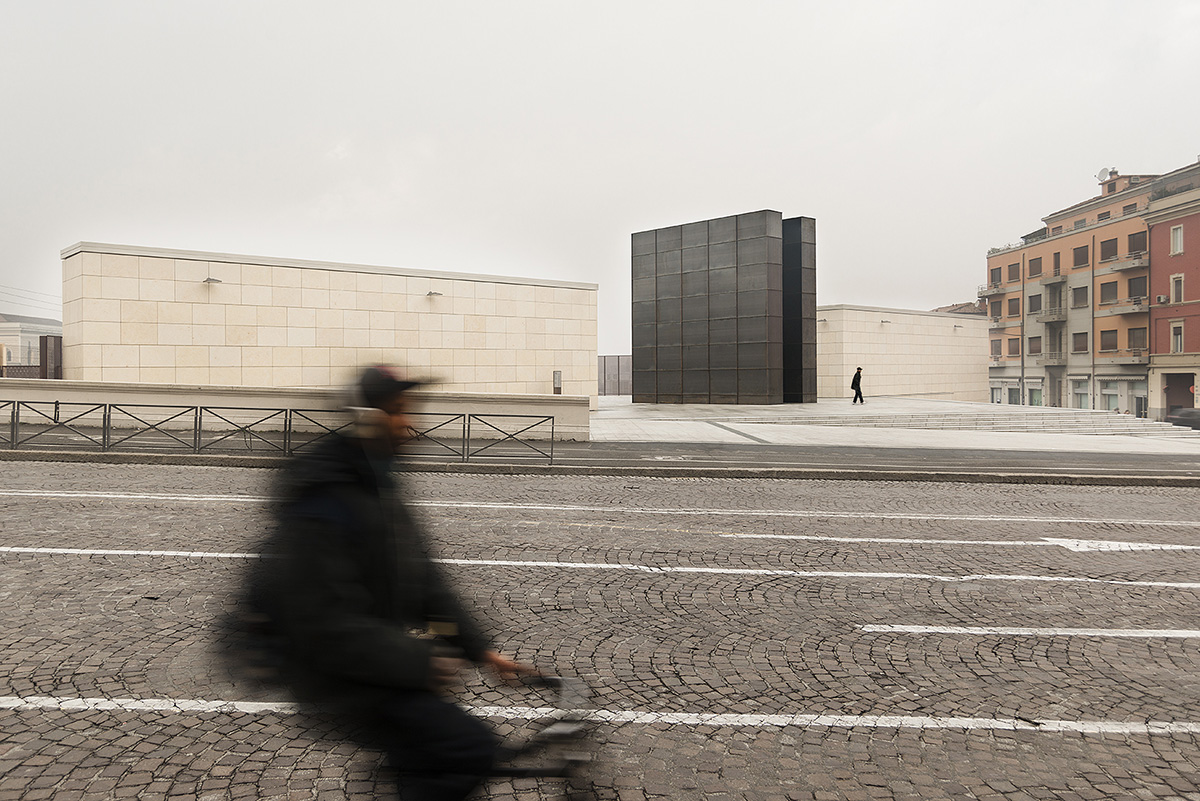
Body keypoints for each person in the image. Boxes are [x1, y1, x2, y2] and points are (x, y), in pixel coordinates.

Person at [250, 365, 534, 800]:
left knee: (426, 757)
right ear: (368, 417)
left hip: (375, 662)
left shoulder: (378, 485)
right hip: (333, 674)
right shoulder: (325, 498)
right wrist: (421, 662)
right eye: (400, 412)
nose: (412, 426)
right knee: (466, 747)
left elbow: (424, 582)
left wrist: (480, 650)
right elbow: (324, 620)